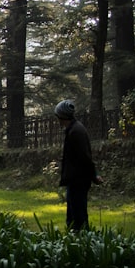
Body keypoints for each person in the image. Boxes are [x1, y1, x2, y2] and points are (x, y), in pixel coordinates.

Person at [55, 99, 102, 230]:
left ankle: (82, 242)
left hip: (78, 180)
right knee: (73, 215)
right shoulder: (74, 129)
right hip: (75, 179)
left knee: (78, 217)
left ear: (62, 116)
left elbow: (85, 157)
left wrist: (94, 175)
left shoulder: (76, 131)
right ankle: (76, 240)